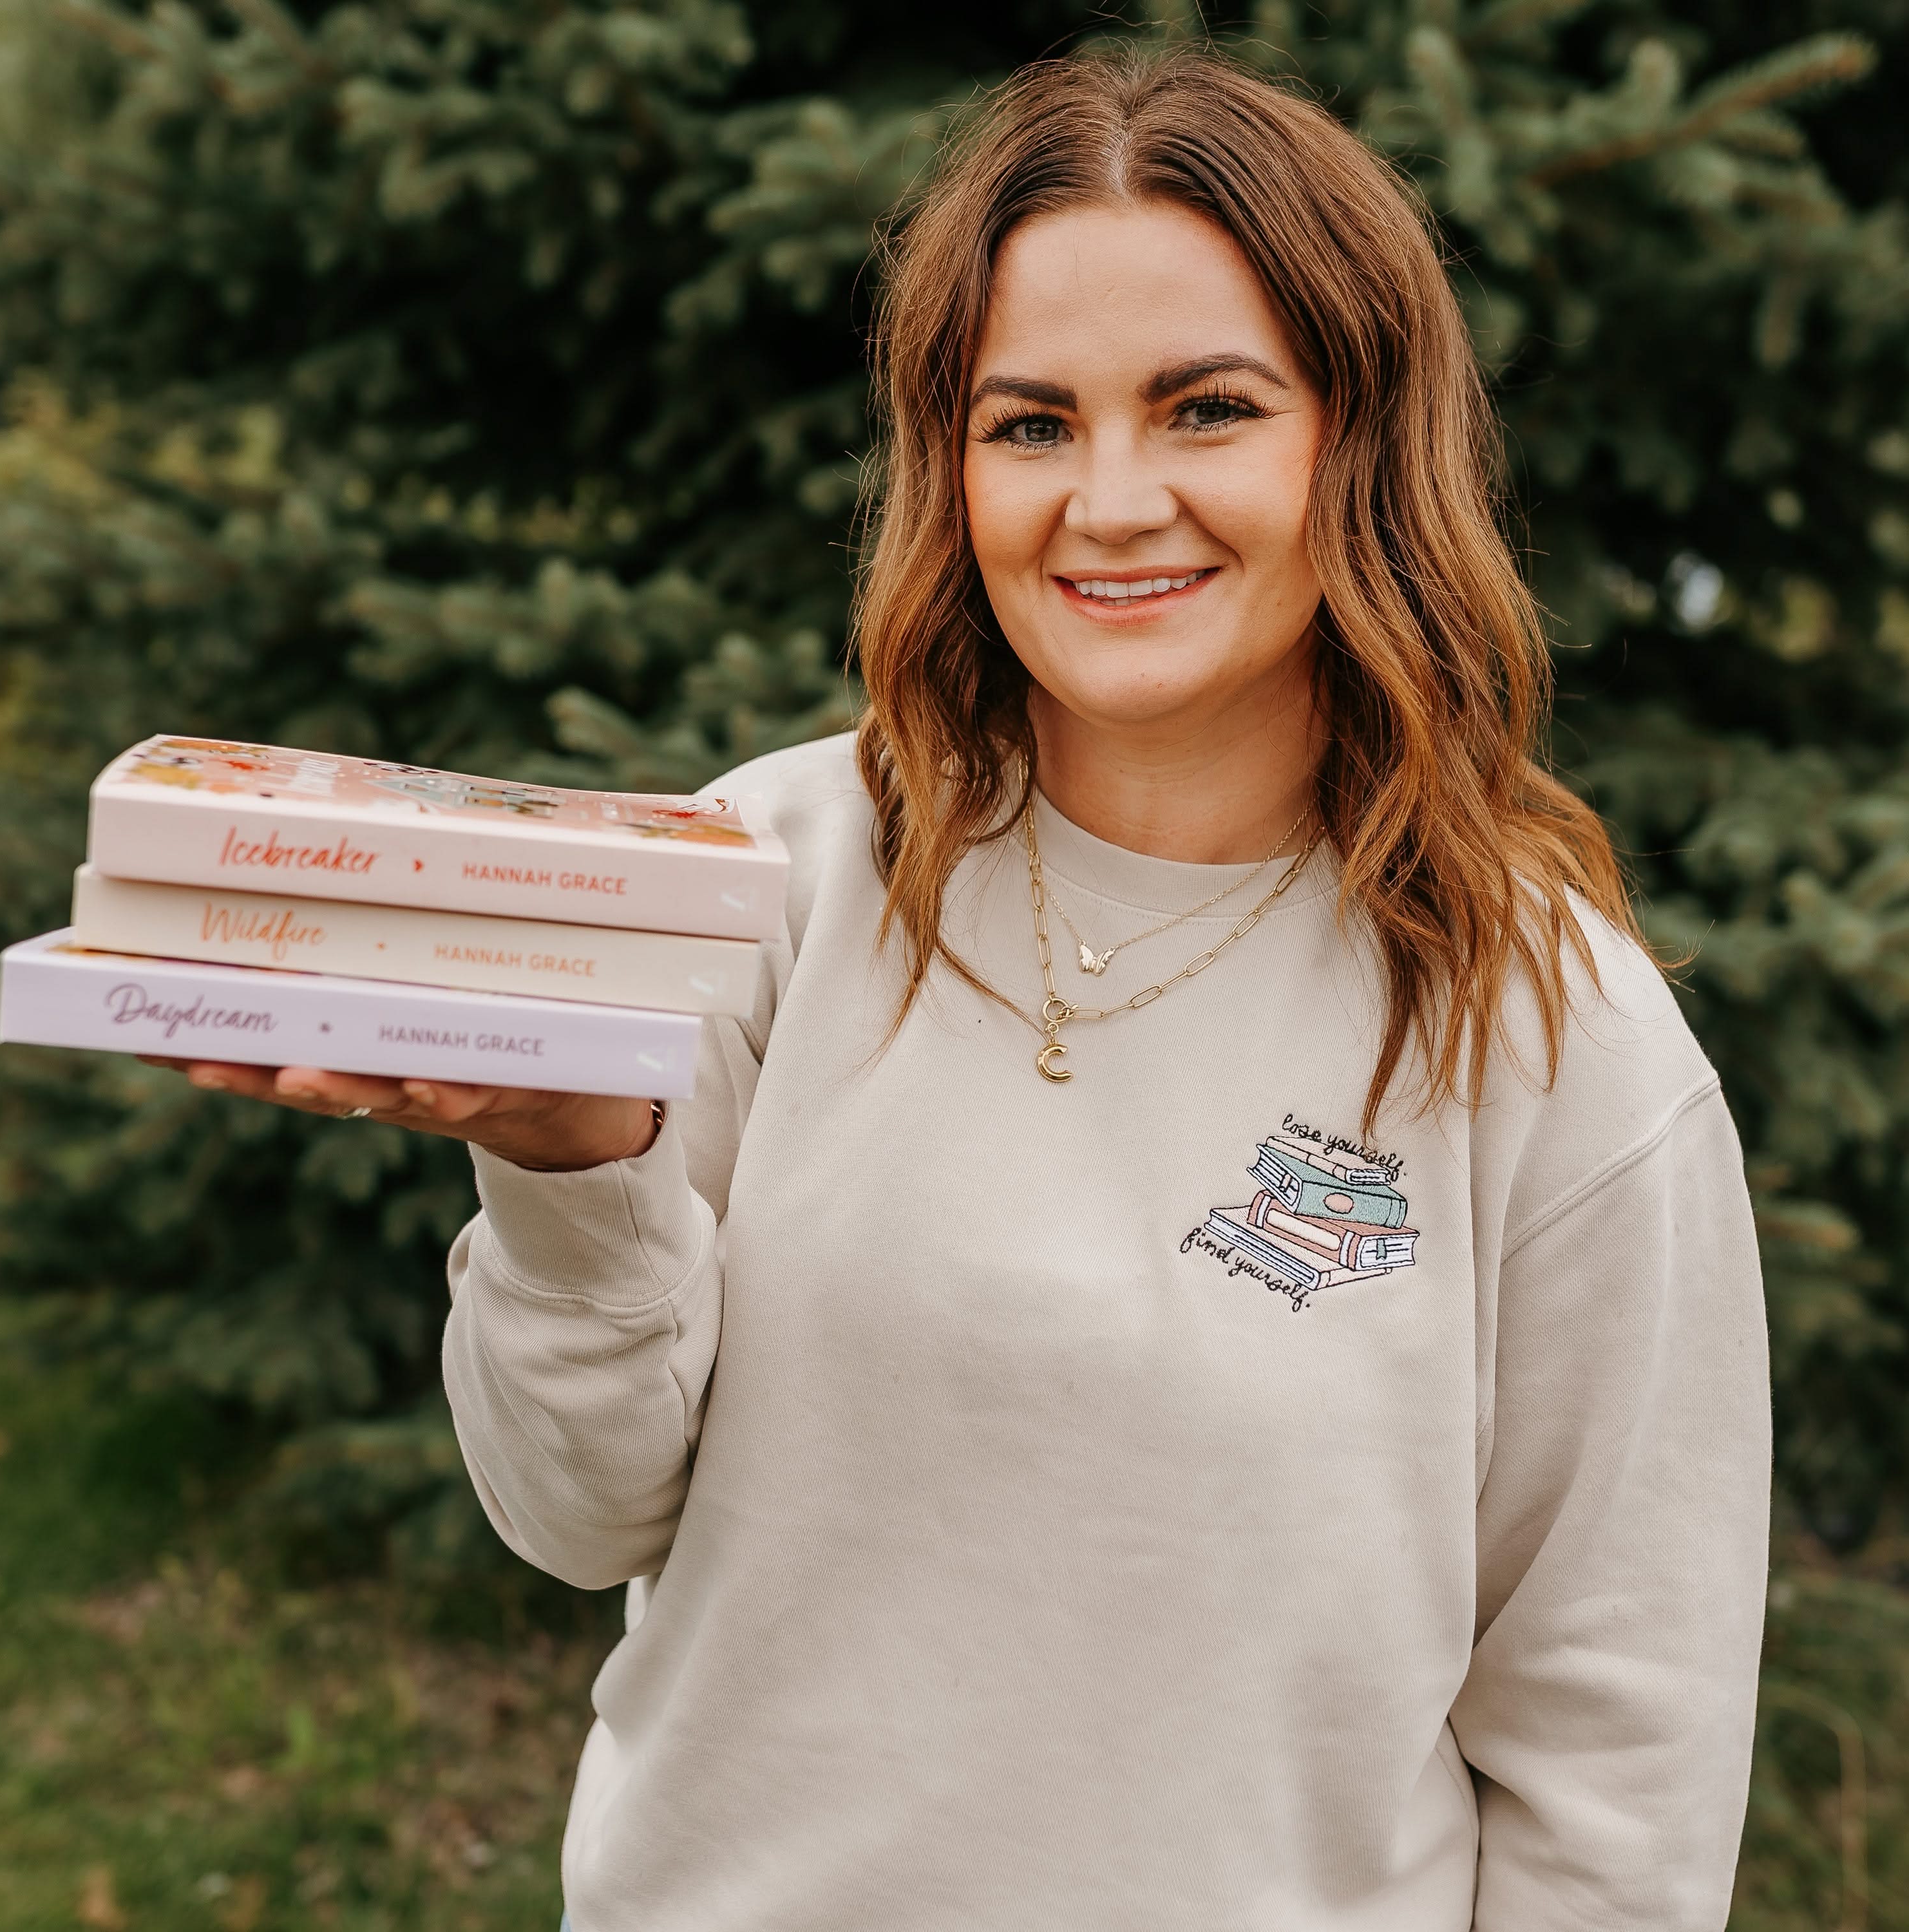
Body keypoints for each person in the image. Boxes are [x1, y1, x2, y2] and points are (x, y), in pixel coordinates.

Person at [154, 44, 1771, 1932]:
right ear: (951, 462)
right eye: (1029, 423)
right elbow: (576, 1515)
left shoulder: (1551, 1035)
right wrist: (575, 1168)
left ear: (1361, 437)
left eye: (1206, 409)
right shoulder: (767, 876)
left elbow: (1619, 1778)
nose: (1109, 501)